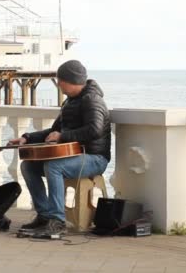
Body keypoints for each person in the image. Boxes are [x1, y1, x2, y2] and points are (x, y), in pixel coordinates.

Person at [9, 60, 111, 236]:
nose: (58, 84)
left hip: (95, 157)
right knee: (28, 166)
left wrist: (63, 136)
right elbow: (54, 131)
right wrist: (27, 138)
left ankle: (58, 221)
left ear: (69, 80)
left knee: (54, 166)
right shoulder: (69, 102)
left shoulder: (92, 100)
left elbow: (95, 129)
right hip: (75, 155)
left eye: (60, 80)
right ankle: (45, 215)